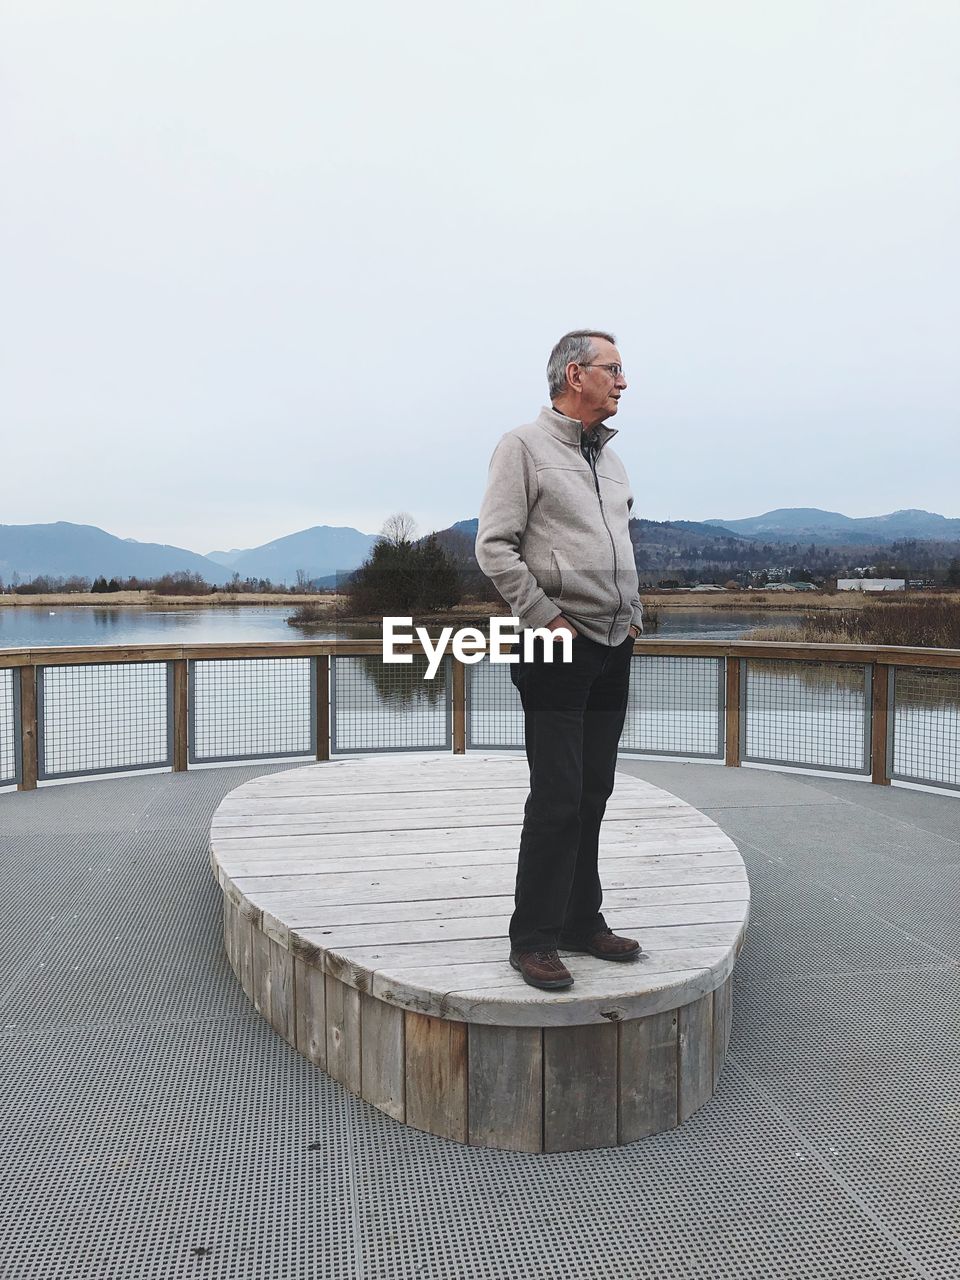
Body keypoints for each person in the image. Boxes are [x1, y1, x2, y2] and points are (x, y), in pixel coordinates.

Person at [475, 329, 645, 990]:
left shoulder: (614, 460)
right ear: (576, 375)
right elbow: (495, 547)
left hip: (612, 645)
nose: (623, 382)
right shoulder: (523, 447)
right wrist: (548, 618)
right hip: (555, 646)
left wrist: (632, 615)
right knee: (557, 795)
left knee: (594, 791)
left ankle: (581, 919)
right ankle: (534, 937)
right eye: (614, 369)